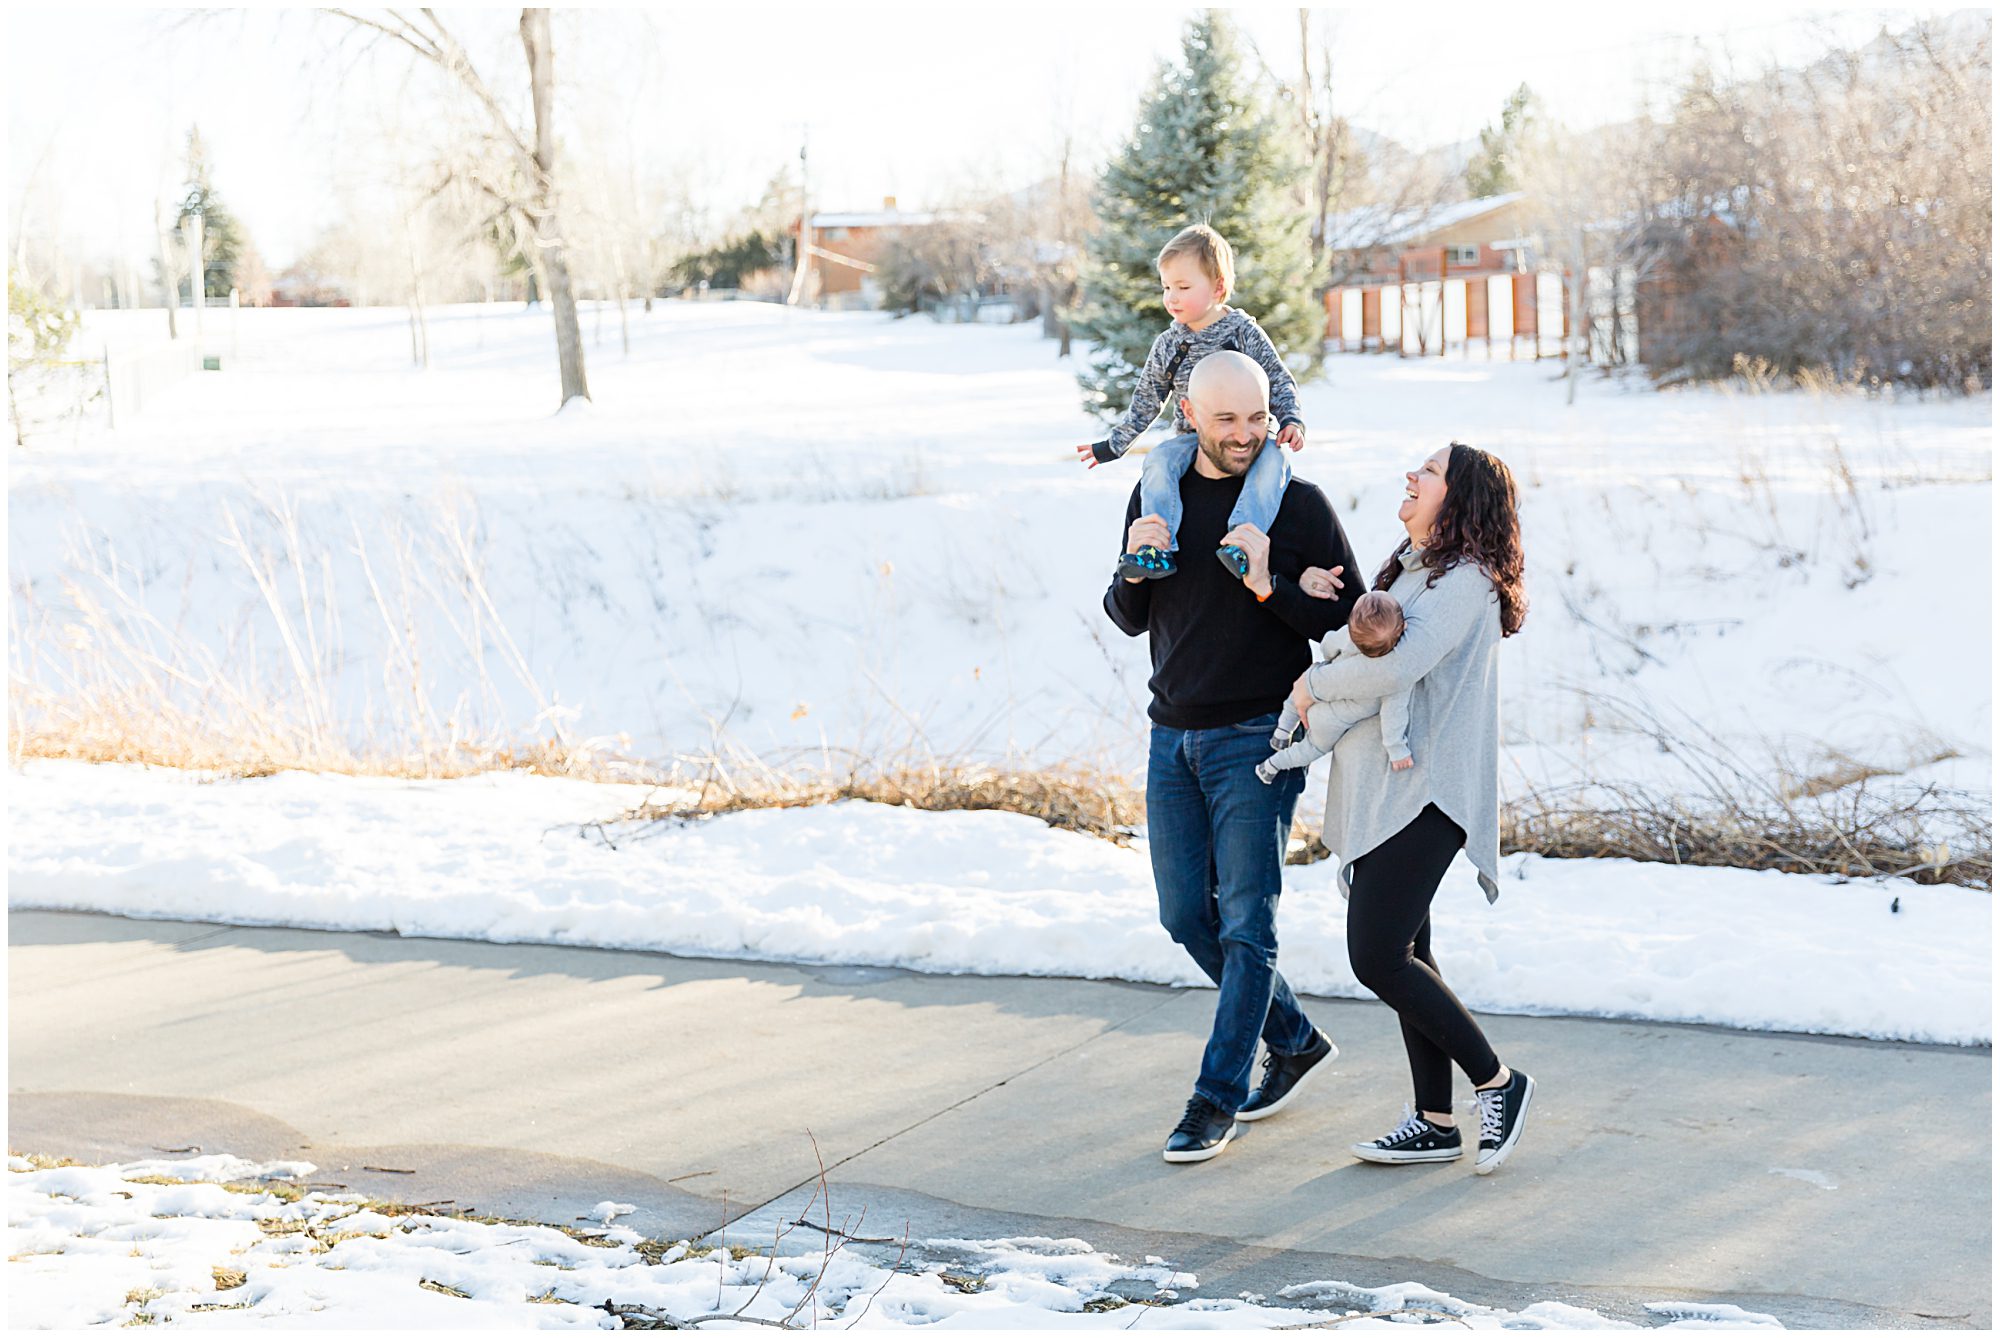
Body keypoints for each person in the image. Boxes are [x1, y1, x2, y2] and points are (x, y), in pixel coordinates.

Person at [1102, 350, 1359, 1164]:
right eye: (1226, 420)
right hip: (1171, 732)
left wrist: (1270, 581)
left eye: (1256, 418)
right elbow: (1126, 617)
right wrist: (1136, 564)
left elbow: (1350, 620)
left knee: (1248, 921)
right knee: (1186, 914)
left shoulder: (1300, 505)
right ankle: (1295, 1038)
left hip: (1260, 735)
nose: (1247, 434)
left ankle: (1215, 1098)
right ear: (1188, 416)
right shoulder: (1158, 493)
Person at [1290, 442, 1534, 1175]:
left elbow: (1392, 664)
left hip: (1427, 792)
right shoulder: (1418, 570)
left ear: (1458, 497)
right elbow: (1368, 641)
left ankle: (1498, 1081)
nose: (1410, 476)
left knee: (1376, 955)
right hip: (1387, 791)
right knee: (1411, 955)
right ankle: (1434, 1120)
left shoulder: (1468, 582)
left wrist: (1312, 688)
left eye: (1427, 472)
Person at [1075, 224, 1306, 582]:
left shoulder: (1242, 332)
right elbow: (1148, 398)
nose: (1171, 297)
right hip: (1193, 440)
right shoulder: (1169, 344)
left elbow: (1278, 378)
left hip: (1253, 436)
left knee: (1273, 465)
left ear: (1218, 287)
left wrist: (1291, 419)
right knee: (1158, 461)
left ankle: (1243, 543)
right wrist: (1114, 445)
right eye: (1167, 287)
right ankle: (1156, 548)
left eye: (1183, 287)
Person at [1255, 591, 1413, 785]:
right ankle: (1272, 765)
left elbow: (1328, 646)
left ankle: (1282, 731)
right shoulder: (1394, 679)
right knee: (1310, 748)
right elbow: (1393, 717)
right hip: (1331, 721)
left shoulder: (1348, 636)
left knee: (1297, 693)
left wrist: (1330, 656)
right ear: (1404, 626)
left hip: (1316, 693)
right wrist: (1397, 750)